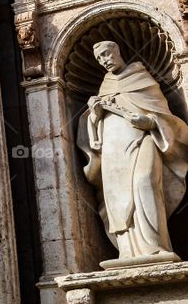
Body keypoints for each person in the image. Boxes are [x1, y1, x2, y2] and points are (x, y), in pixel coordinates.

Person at [79, 40, 188, 265]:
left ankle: (156, 247)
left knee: (144, 182)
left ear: (118, 51)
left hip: (144, 139)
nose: (104, 61)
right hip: (113, 149)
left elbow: (163, 114)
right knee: (118, 194)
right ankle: (128, 252)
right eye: (100, 59)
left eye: (107, 54)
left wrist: (149, 122)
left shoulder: (141, 77)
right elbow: (93, 130)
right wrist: (95, 115)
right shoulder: (105, 86)